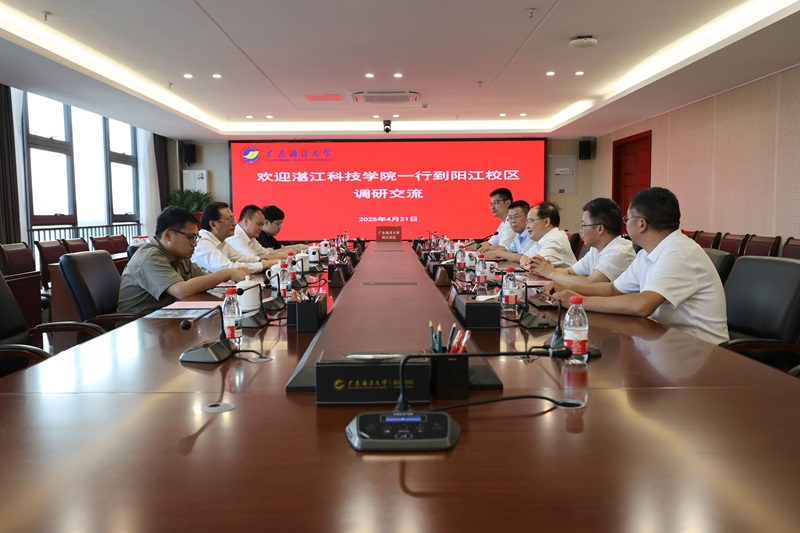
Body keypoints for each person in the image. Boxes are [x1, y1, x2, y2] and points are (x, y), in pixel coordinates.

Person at [543, 187, 728, 345]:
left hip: (700, 352)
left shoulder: (679, 253)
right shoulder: (647, 253)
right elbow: (613, 289)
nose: (625, 224)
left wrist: (577, 301)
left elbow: (642, 305)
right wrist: (565, 288)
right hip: (665, 340)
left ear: (641, 224)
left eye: (627, 219)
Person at [117, 206, 249, 315]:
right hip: (138, 326)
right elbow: (181, 291)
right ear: (168, 235)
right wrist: (227, 273)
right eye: (190, 237)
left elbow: (205, 281)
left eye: (196, 238)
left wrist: (232, 275)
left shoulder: (179, 255)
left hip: (167, 318)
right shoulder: (150, 257)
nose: (195, 244)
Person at [529, 198, 635, 284]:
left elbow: (589, 283)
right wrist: (546, 270)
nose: (581, 230)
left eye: (584, 225)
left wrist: (551, 273)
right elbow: (569, 271)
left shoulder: (618, 252)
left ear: (600, 229)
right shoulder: (596, 250)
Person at [193, 202, 276, 274]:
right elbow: (227, 268)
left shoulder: (222, 241)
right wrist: (263, 265)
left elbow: (242, 258)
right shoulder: (202, 241)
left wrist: (260, 261)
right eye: (230, 220)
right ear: (213, 224)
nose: (234, 224)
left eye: (233, 219)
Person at [519, 201, 576, 269]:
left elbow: (536, 268)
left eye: (530, 221)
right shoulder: (544, 239)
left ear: (546, 222)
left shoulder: (555, 240)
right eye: (527, 222)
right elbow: (524, 257)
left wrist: (526, 265)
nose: (527, 226)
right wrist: (526, 264)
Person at [227, 204, 292, 261]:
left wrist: (286, 254)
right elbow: (252, 260)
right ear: (246, 221)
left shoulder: (251, 237)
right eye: (259, 224)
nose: (261, 228)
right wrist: (283, 255)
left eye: (262, 225)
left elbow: (266, 253)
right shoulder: (235, 236)